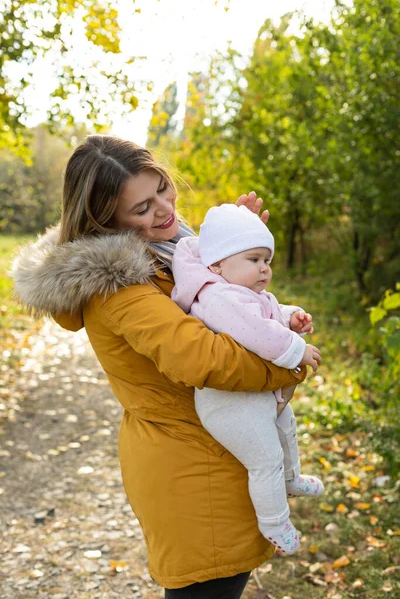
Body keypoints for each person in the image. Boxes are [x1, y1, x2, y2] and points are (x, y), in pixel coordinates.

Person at [12, 135, 308, 599]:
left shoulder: (170, 253)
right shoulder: (121, 288)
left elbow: (230, 314)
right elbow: (204, 358)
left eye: (163, 189)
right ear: (106, 221)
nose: (165, 209)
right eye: (142, 208)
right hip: (189, 466)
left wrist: (238, 256)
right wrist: (290, 363)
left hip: (211, 450)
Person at [171, 204, 324, 555]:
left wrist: (291, 317)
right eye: (253, 259)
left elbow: (267, 310)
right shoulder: (218, 296)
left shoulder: (241, 292)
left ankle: (290, 479)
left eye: (266, 260)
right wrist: (297, 349)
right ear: (218, 265)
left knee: (286, 427)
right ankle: (274, 521)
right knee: (265, 457)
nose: (264, 268)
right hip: (228, 404)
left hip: (252, 395)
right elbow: (256, 330)